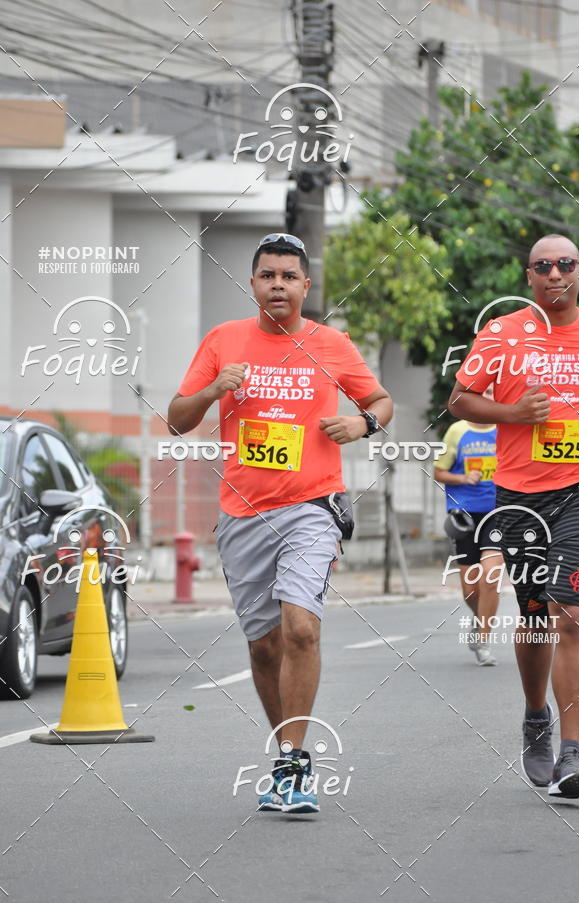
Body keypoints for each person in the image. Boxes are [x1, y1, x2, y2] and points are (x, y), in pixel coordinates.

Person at [168, 233, 393, 813]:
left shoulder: (332, 344)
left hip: (312, 507)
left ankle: (294, 764)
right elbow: (175, 420)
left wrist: (363, 424)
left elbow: (380, 401)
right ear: (253, 283)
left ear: (305, 286)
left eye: (289, 277)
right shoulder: (223, 340)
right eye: (268, 275)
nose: (278, 285)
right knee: (265, 646)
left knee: (300, 629)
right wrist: (214, 389)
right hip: (243, 513)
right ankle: (286, 751)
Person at [449, 234, 579, 799]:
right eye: (543, 266)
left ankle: (572, 754)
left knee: (571, 615)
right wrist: (513, 412)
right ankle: (537, 716)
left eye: (565, 264)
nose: (555, 273)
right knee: (535, 616)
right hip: (519, 495)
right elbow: (460, 400)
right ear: (529, 277)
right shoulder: (502, 332)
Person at [435, 385, 503, 665]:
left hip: (498, 512)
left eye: (493, 392)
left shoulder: (505, 430)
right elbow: (439, 471)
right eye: (483, 392)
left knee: (491, 576)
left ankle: (483, 640)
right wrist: (463, 479)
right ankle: (480, 617)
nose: (489, 397)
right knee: (470, 589)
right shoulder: (457, 431)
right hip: (464, 515)